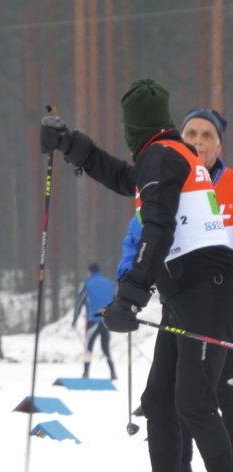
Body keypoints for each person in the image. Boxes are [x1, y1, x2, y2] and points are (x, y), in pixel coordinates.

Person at [40, 78, 233, 472]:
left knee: (195, 403)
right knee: (159, 402)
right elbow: (123, 179)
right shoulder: (165, 155)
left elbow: (158, 229)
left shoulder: (163, 156)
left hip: (207, 293)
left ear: (134, 127)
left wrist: (130, 297)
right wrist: (71, 144)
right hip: (186, 295)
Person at [115, 107, 233, 470]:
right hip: (180, 305)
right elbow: (139, 238)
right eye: (190, 134)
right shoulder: (165, 182)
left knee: (210, 400)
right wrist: (126, 288)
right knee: (161, 402)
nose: (198, 142)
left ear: (219, 146)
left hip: (221, 308)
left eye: (207, 135)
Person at [72, 262, 117, 380]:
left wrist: (75, 320)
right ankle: (113, 373)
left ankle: (86, 372)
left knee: (89, 348)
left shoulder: (87, 284)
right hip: (106, 321)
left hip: (93, 320)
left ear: (90, 272)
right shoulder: (110, 283)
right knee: (106, 348)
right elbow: (116, 301)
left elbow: (79, 302)